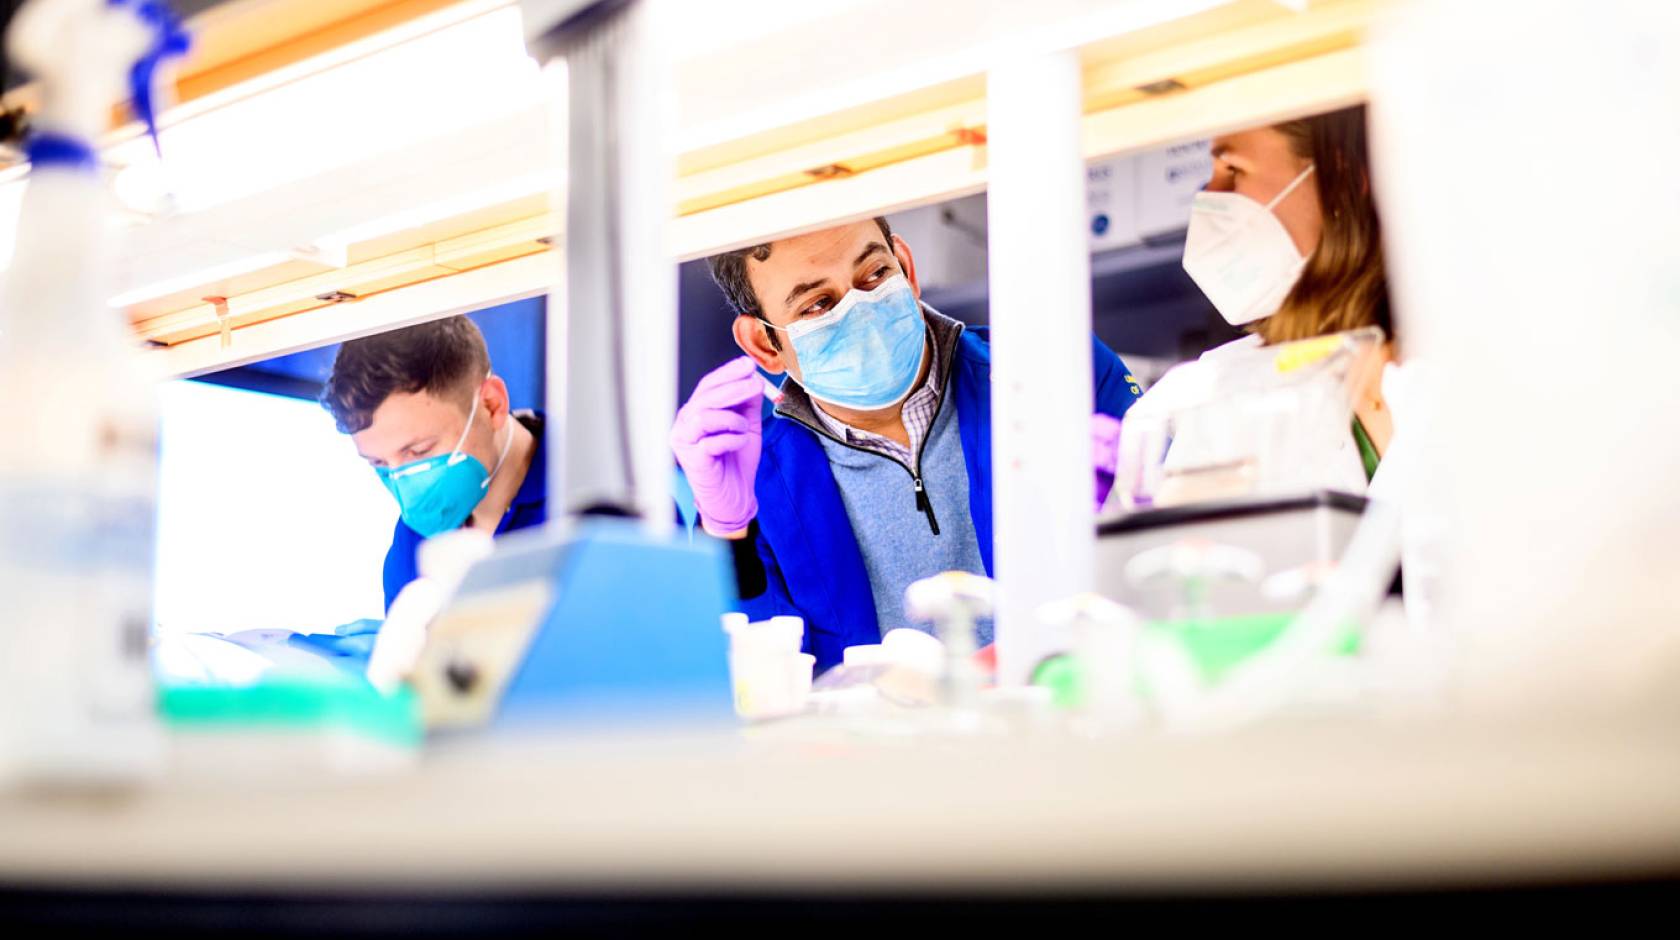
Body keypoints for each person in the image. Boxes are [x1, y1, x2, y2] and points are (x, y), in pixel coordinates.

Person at [672, 218, 1141, 671]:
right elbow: (753, 674)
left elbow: (1166, 554)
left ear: (906, 267)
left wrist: (1119, 504)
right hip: (876, 729)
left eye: (875, 273)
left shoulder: (1055, 370)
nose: (860, 311)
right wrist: (727, 537)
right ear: (763, 343)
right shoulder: (756, 478)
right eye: (817, 305)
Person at [1174, 104, 1397, 490]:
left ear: (1341, 178)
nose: (1208, 198)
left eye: (1233, 170)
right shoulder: (1224, 398)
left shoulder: (1470, 360)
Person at [321, 316, 547, 612]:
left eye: (419, 450)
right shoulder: (412, 542)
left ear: (491, 405)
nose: (405, 483)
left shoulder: (588, 490)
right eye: (379, 463)